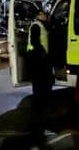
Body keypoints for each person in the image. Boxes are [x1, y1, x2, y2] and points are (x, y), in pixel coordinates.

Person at [27, 10, 54, 141]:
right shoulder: (36, 25)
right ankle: (38, 118)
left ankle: (40, 107)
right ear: (38, 16)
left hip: (40, 60)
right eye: (44, 15)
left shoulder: (42, 25)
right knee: (40, 88)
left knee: (44, 86)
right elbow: (35, 42)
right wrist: (43, 54)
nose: (46, 16)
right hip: (37, 60)